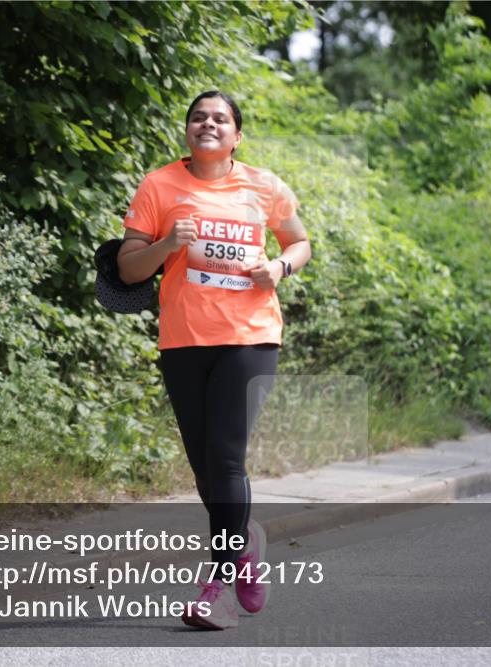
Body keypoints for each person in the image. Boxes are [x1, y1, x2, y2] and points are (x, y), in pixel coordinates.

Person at [116, 90, 311, 630]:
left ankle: (218, 590)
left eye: (220, 118)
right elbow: (129, 269)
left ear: (236, 135)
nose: (209, 124)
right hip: (183, 339)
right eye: (199, 117)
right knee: (205, 468)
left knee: (226, 460)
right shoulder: (159, 185)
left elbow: (300, 243)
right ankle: (245, 543)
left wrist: (279, 267)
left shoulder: (264, 185)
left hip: (250, 337)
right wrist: (166, 245)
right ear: (187, 130)